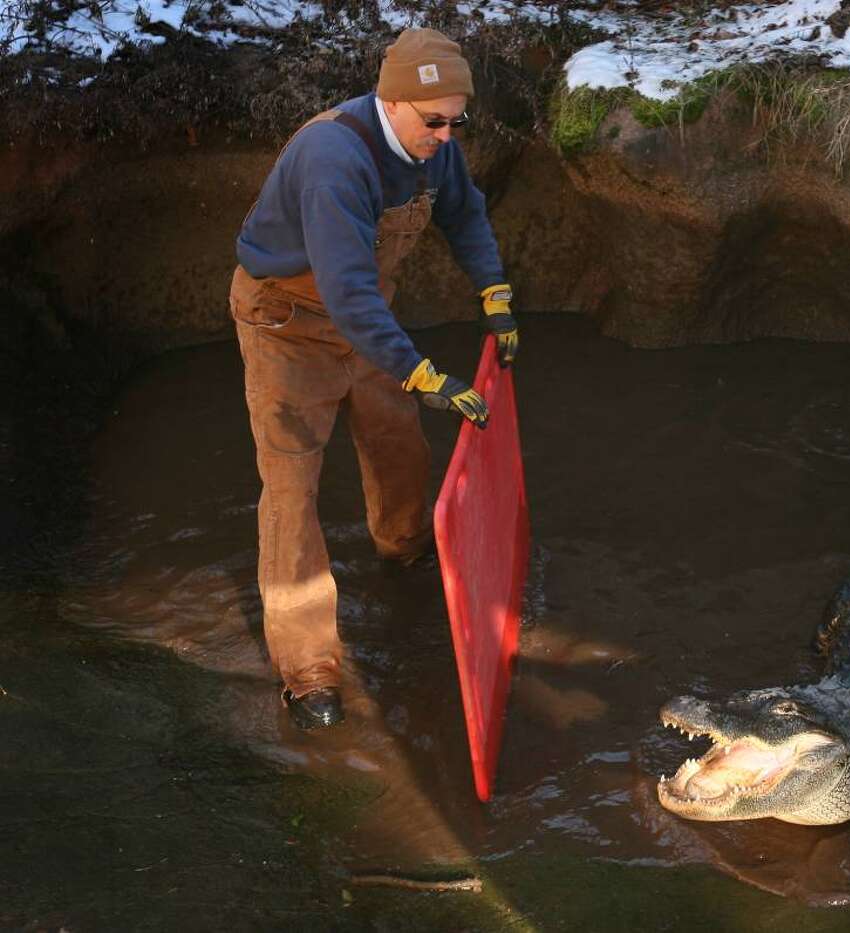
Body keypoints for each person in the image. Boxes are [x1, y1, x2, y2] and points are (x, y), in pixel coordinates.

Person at [228, 28, 518, 731]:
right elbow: (348, 291)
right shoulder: (334, 160)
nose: (447, 136)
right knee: (292, 484)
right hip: (287, 322)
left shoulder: (434, 150)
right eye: (434, 121)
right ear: (392, 102)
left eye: (457, 121)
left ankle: (405, 545)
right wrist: (421, 371)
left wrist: (495, 293)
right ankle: (309, 668)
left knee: (397, 438)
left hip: (365, 318)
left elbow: (465, 214)